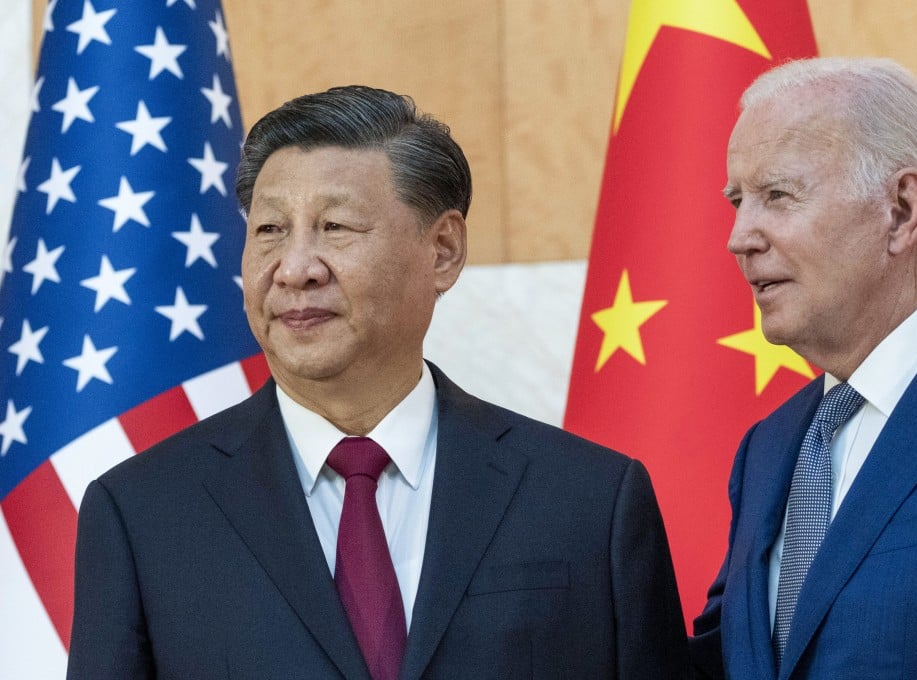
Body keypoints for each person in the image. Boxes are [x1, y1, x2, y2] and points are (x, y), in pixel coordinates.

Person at [66, 85, 691, 679]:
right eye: (270, 231)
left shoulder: (590, 500)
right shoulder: (143, 514)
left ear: (442, 250)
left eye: (335, 227)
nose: (296, 268)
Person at [689, 56, 917, 679]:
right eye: (738, 200)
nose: (739, 236)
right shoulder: (770, 445)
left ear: (900, 209)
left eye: (777, 196)